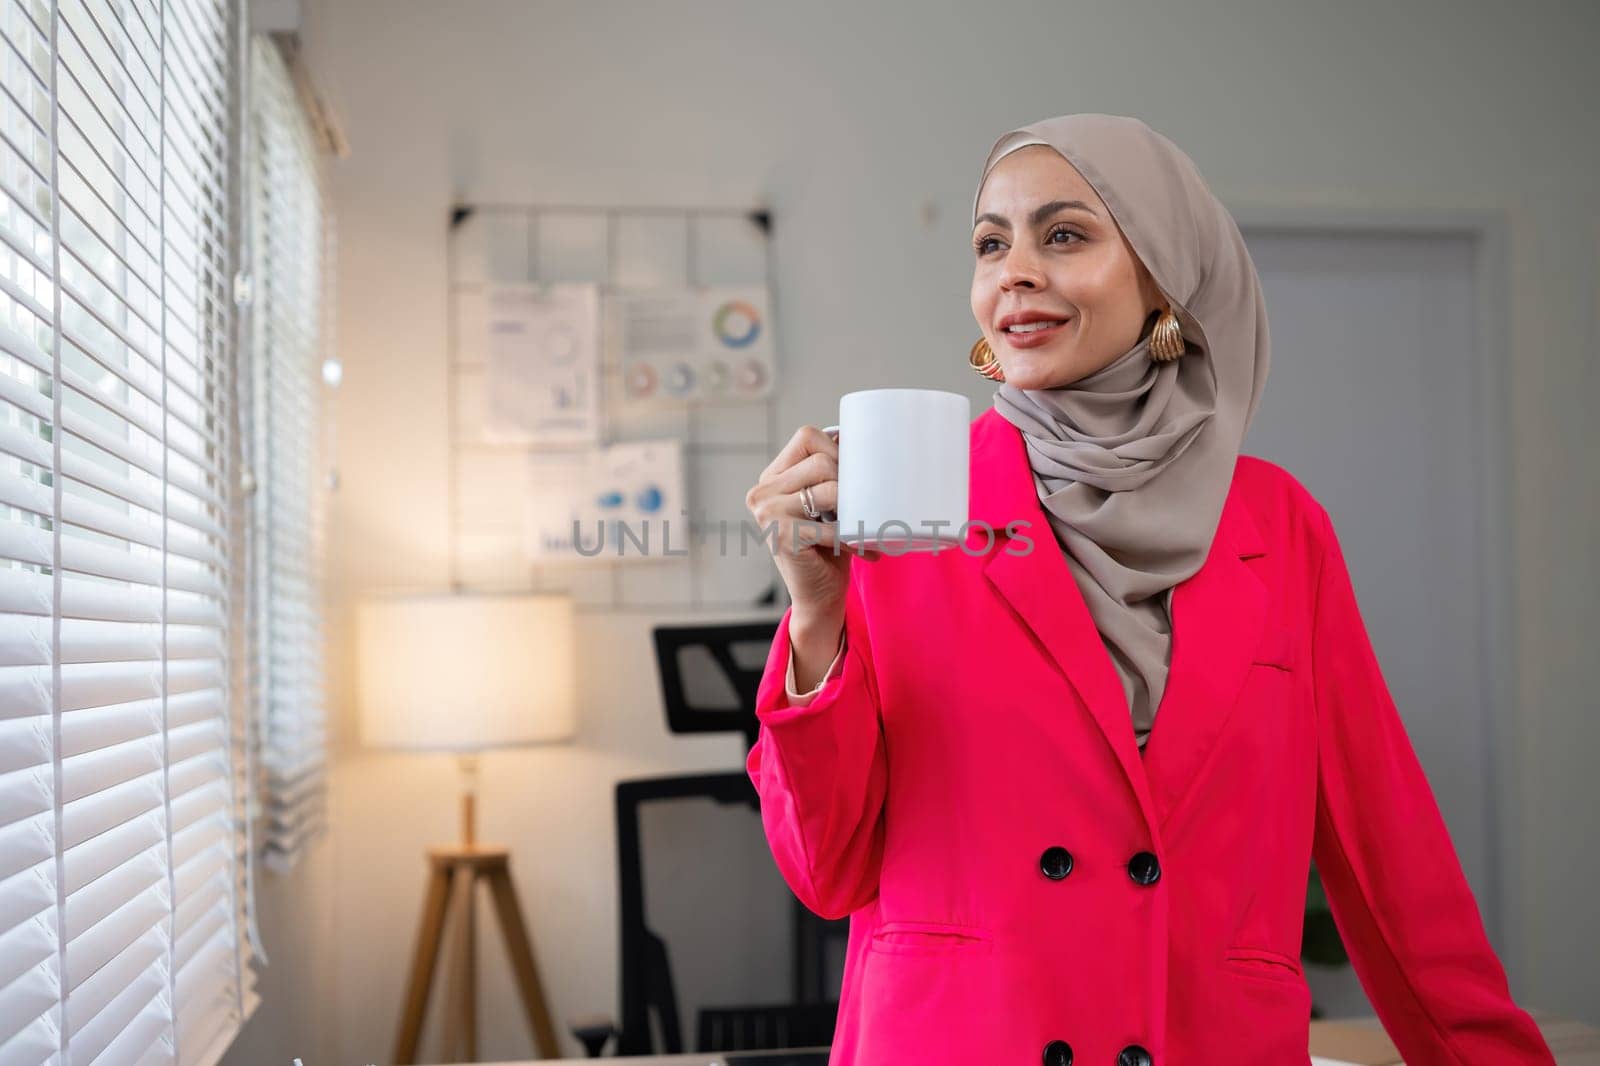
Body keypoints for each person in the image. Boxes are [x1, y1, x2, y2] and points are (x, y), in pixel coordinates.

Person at [742, 114, 1553, 1066]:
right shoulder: (915, 502)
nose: (1016, 270)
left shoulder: (1279, 527)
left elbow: (1390, 859)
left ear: (1164, 275)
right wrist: (816, 615)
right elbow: (824, 871)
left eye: (1066, 234)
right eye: (991, 243)